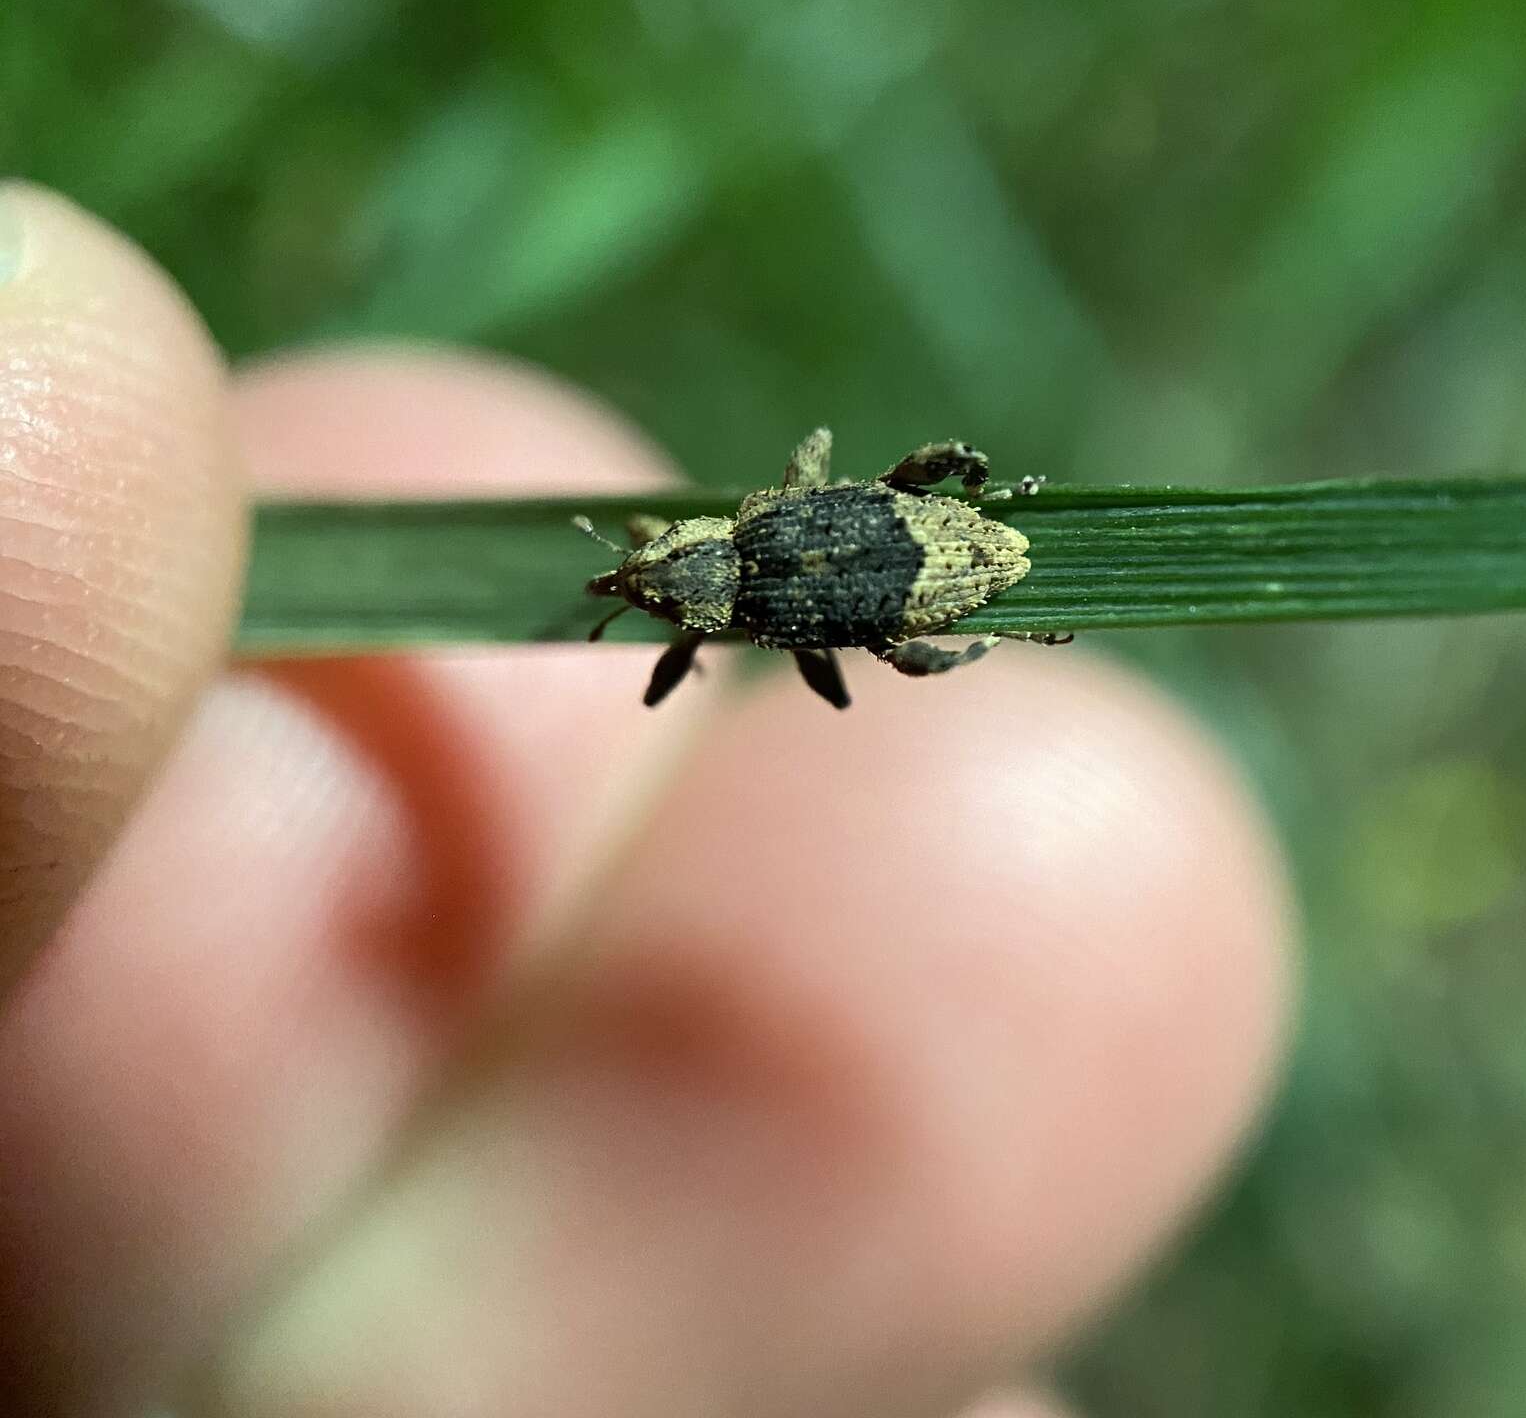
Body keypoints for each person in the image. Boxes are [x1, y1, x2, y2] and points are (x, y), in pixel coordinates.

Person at [0, 183, 1294, 1417]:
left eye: (649, 574)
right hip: (903, 569)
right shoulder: (769, 560)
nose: (643, 580)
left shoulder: (768, 571)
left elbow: (828, 587)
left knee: (915, 570)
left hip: (912, 569)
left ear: (698, 568)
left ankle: (1001, 588)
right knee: (915, 546)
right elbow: (820, 516)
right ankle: (1000, 579)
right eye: (649, 581)